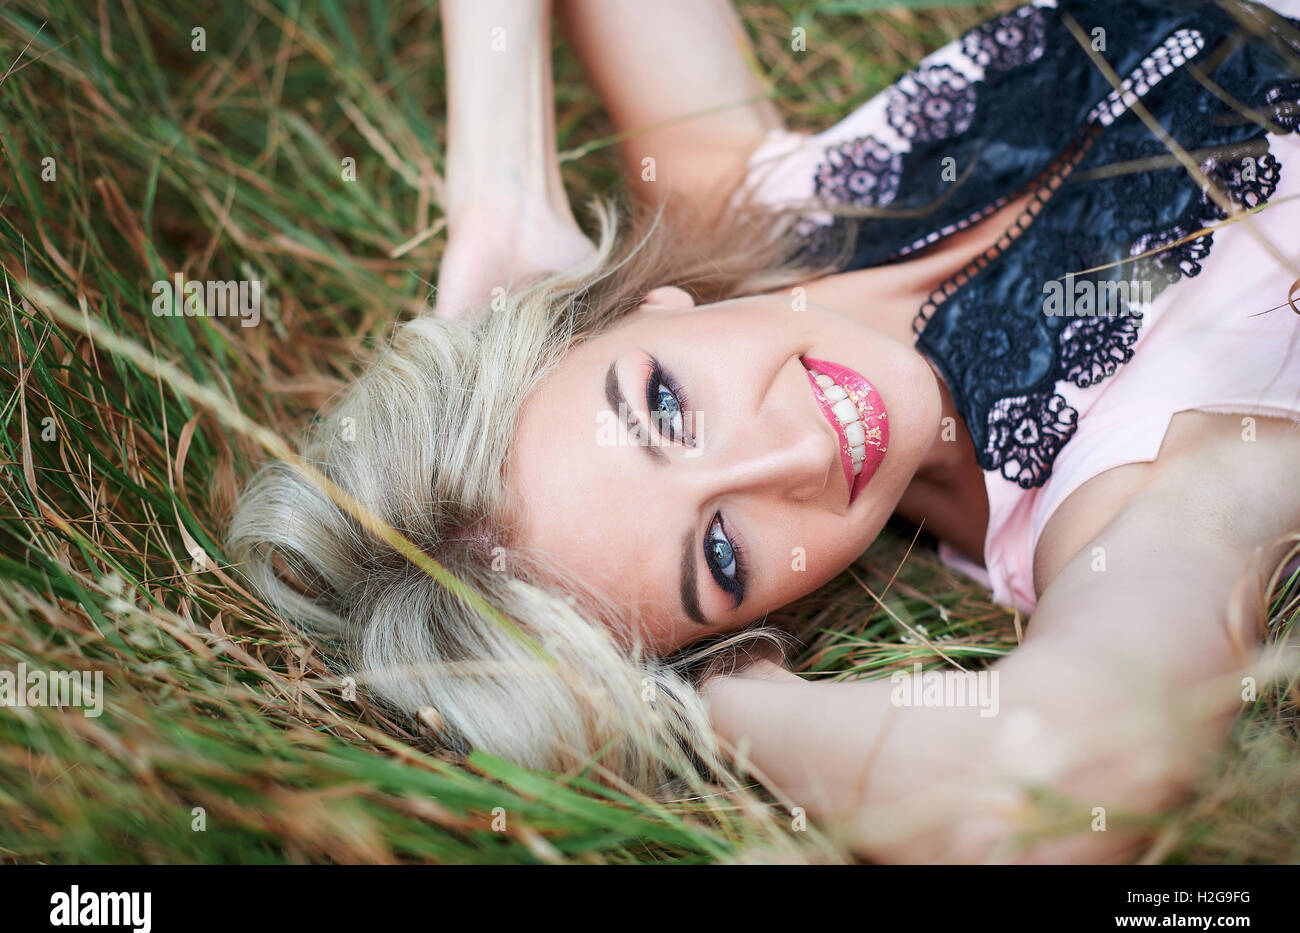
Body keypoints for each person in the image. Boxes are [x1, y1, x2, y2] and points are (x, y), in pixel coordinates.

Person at [228, 0, 1300, 862]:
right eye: (723, 554)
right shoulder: (1131, 497)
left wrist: (499, 195)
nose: (797, 451)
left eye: (662, 407)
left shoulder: (758, 203)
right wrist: (711, 707)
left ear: (638, 310)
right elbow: (1037, 787)